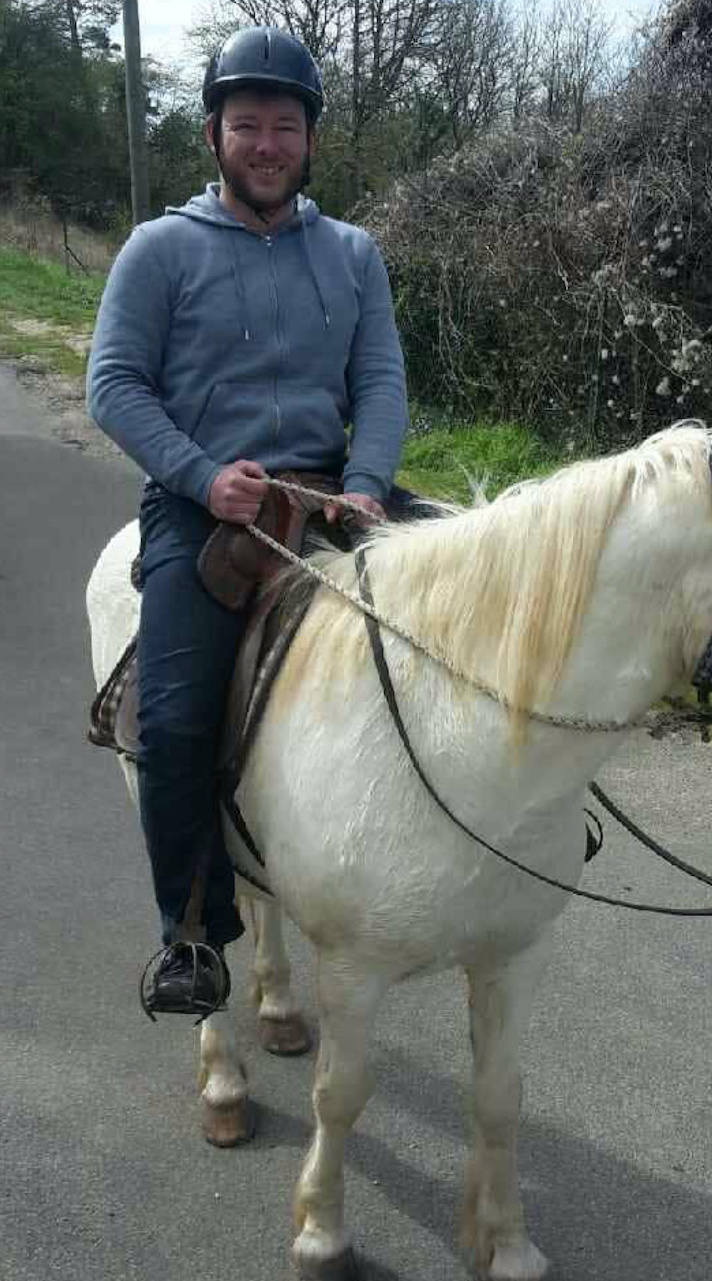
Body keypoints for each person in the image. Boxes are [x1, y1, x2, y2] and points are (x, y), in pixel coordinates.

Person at [86, 26, 410, 1017]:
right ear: (214, 135)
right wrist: (196, 473)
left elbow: (382, 382)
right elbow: (112, 385)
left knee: (463, 638)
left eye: (284, 125)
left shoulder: (351, 254)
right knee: (176, 718)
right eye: (245, 125)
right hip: (204, 509)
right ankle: (190, 933)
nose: (265, 143)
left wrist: (366, 479)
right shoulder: (160, 250)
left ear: (309, 139)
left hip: (333, 500)